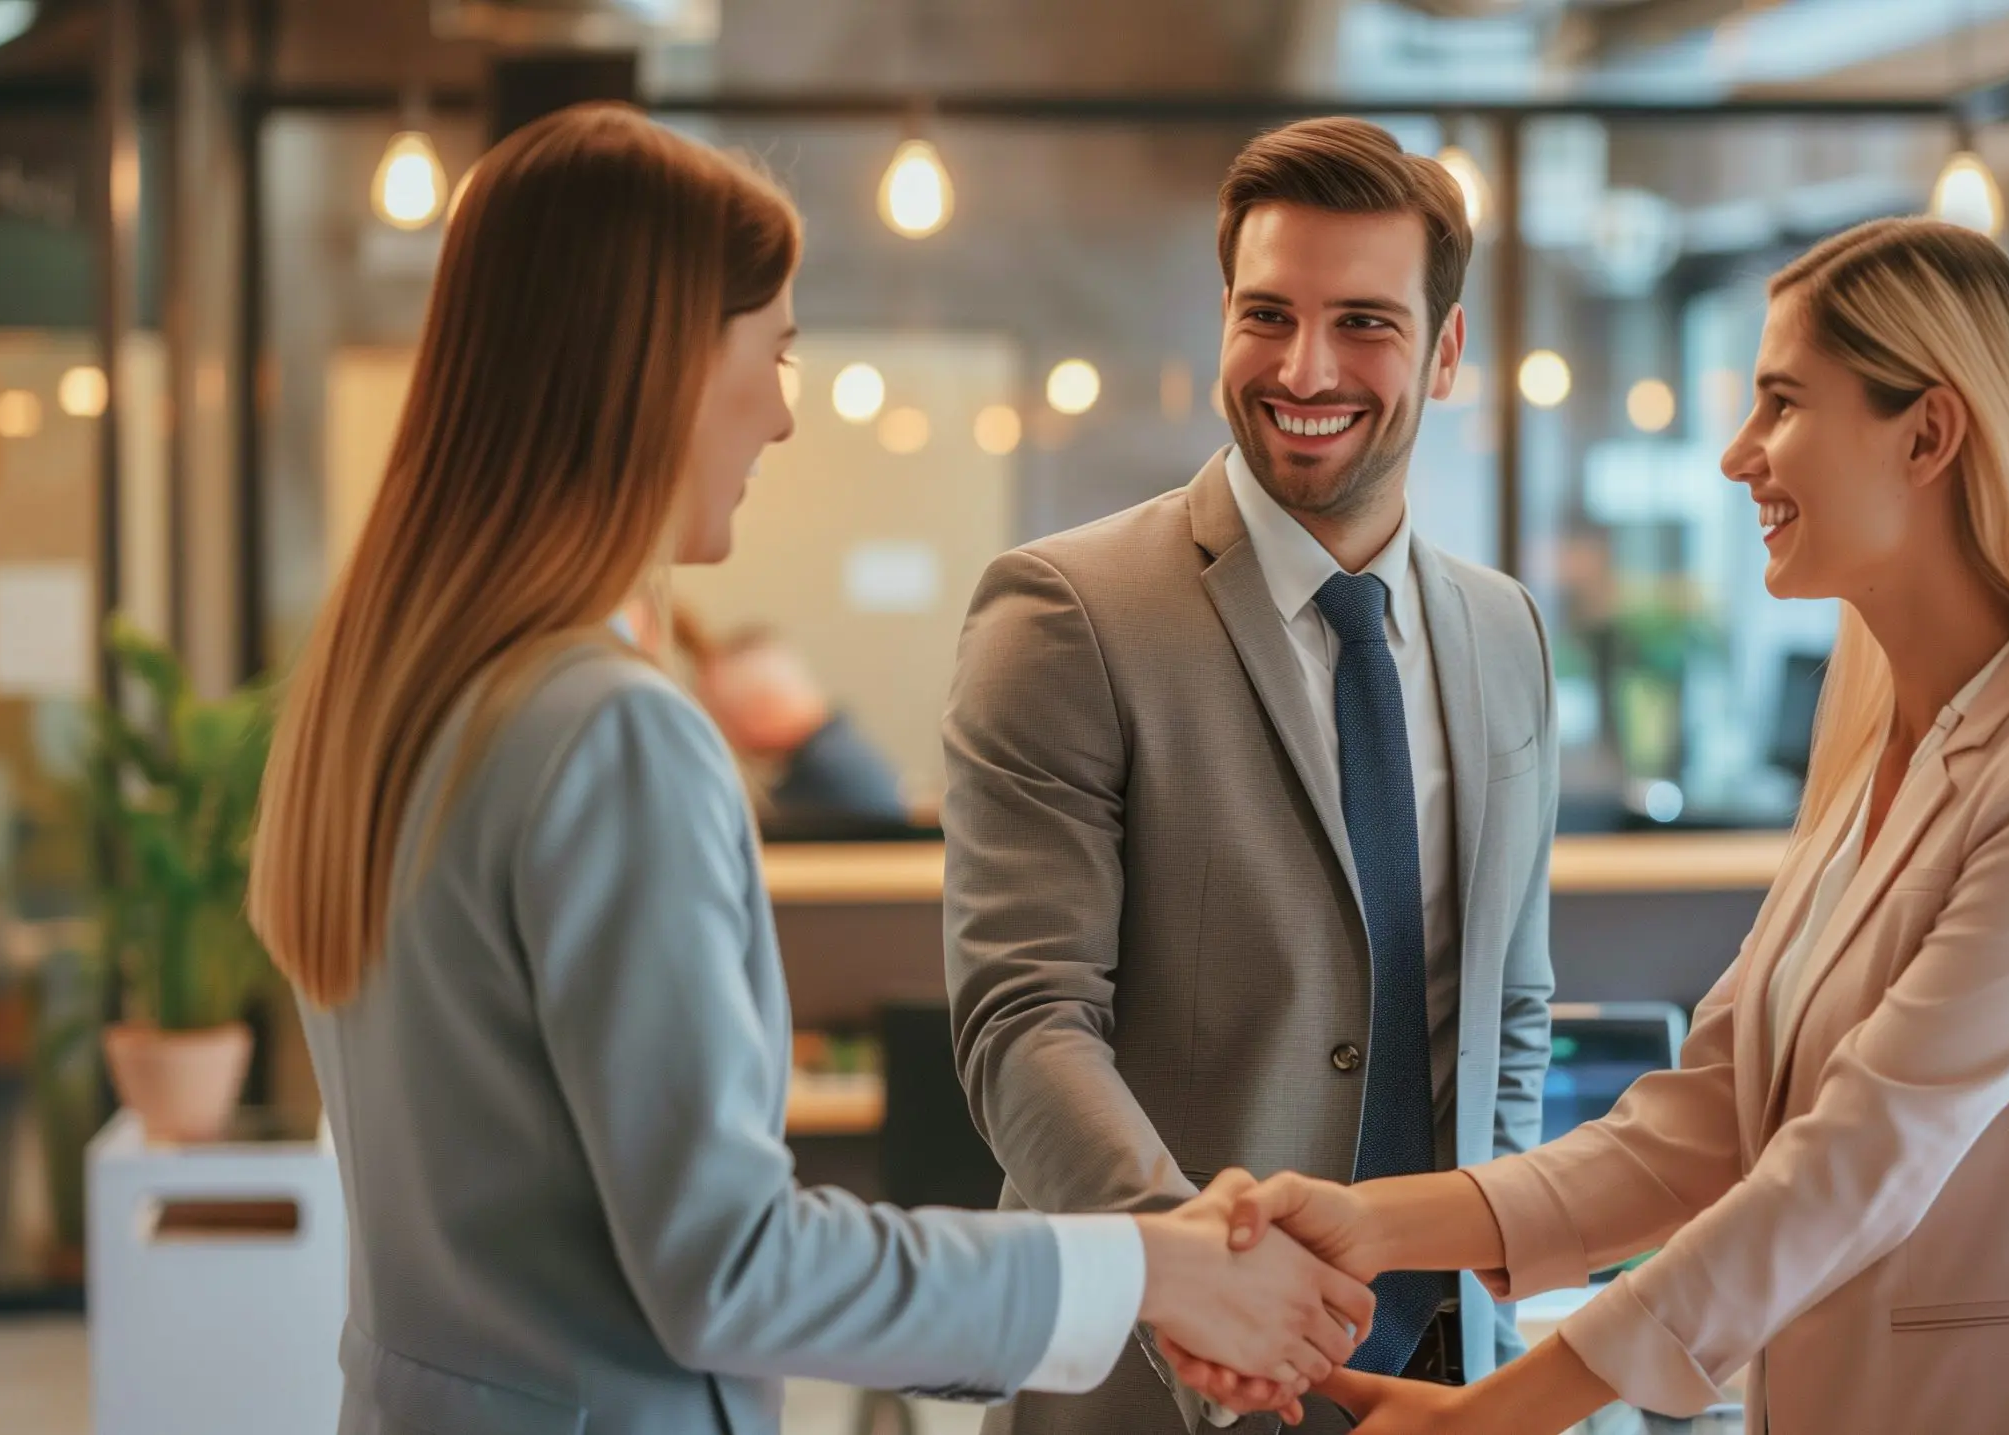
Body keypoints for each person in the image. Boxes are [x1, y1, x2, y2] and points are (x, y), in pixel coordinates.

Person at [245, 103, 1370, 1435]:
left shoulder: (382, 706)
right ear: (654, 366)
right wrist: (1142, 1264)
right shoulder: (613, 735)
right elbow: (729, 1266)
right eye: (772, 347)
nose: (783, 410)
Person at [1181, 215, 2009, 1435]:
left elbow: (1850, 1164)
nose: (1739, 456)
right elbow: (1702, 1123)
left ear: (1929, 432)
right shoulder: (1887, 753)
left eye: (1781, 404)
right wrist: (1375, 1219)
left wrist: (1492, 1416)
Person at [943, 116, 1560, 1434]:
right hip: (1151, 1392)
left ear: (1446, 352)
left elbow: (1508, 1006)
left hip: (1443, 1386)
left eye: (1365, 322)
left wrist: (1483, 1292)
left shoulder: (1506, 633)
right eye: (1267, 313)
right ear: (1222, 317)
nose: (1306, 366)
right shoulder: (1066, 613)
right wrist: (1193, 1278)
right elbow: (1026, 1022)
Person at [636, 601, 922, 840]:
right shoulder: (837, 755)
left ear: (760, 709)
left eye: (724, 717)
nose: (726, 735)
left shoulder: (824, 772)